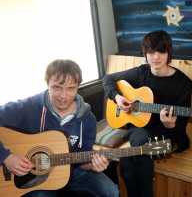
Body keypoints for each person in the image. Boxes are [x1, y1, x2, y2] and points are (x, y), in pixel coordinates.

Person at [0, 59, 119, 197]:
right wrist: (7, 157)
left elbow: (83, 160)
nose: (63, 96)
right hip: (33, 177)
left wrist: (92, 165)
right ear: (48, 84)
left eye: (70, 88)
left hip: (74, 171)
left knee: (111, 192)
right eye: (57, 87)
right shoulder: (28, 107)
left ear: (77, 87)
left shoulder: (88, 119)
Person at [103, 30, 192, 197]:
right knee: (131, 157)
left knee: (136, 153)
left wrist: (170, 124)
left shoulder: (183, 84)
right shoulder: (142, 72)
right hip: (140, 129)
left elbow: (181, 126)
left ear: (169, 53)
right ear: (145, 54)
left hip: (170, 137)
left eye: (161, 51)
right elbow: (108, 79)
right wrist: (117, 98)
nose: (156, 57)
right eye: (151, 52)